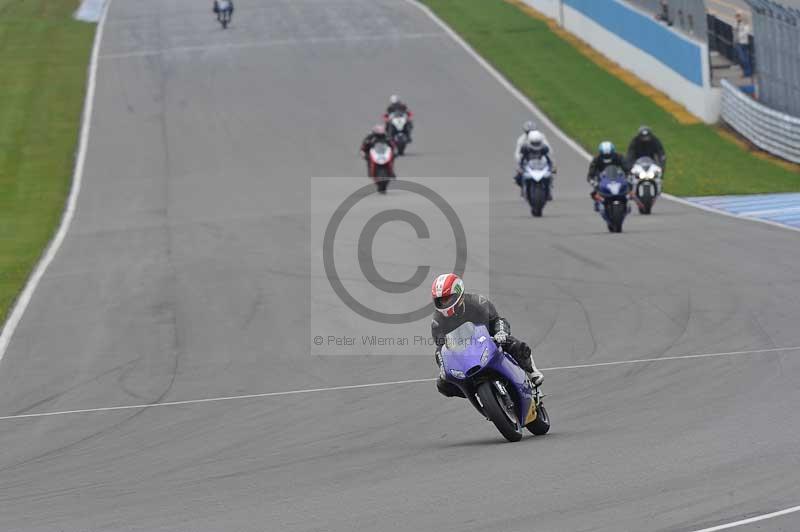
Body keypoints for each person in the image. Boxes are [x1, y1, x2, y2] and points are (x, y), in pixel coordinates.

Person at [430, 273, 544, 398]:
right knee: (442, 385)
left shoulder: (478, 302)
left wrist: (501, 333)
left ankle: (532, 372)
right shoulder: (437, 321)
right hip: (464, 353)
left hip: (489, 340)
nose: (444, 303)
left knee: (515, 344)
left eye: (447, 299)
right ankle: (475, 394)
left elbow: (497, 320)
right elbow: (441, 348)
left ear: (459, 293)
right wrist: (443, 367)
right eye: (440, 300)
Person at [587, 141, 630, 211]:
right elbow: (590, 174)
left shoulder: (618, 157)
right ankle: (599, 202)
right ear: (601, 153)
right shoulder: (597, 159)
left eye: (609, 155)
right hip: (602, 180)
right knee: (594, 193)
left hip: (617, 178)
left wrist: (628, 176)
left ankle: (625, 203)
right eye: (605, 155)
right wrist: (593, 182)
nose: (607, 157)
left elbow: (626, 168)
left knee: (628, 190)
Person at [516, 130, 556, 200]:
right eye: (534, 143)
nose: (536, 145)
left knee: (549, 176)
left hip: (540, 165)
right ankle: (523, 190)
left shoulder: (544, 147)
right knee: (519, 176)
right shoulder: (525, 147)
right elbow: (522, 158)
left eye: (537, 143)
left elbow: (548, 158)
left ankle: (549, 191)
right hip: (529, 166)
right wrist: (520, 167)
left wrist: (551, 167)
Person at [734, 11, 752, 78]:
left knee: (744, 58)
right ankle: (744, 72)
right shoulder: (737, 23)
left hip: (743, 42)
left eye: (739, 16)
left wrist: (739, 36)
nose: (737, 17)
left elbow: (747, 31)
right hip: (737, 42)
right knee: (741, 59)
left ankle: (747, 72)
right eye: (737, 16)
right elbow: (735, 29)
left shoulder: (745, 23)